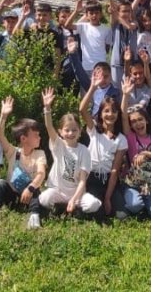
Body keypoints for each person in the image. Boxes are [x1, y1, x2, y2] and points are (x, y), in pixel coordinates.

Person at [0, 96, 48, 229]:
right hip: (12, 196)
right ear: (24, 138)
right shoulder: (13, 152)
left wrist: (30, 188)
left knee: (35, 188)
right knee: (0, 183)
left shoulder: (39, 154)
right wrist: (3, 115)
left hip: (28, 197)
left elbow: (41, 173)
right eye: (36, 135)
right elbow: (0, 135)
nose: (39, 138)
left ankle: (34, 218)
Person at [38, 87, 101, 218]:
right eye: (67, 130)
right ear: (60, 132)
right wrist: (47, 108)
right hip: (58, 191)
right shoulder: (58, 145)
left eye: (74, 130)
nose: (70, 133)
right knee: (44, 198)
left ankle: (72, 207)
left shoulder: (84, 150)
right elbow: (49, 127)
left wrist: (73, 199)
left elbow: (83, 181)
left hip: (77, 193)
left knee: (93, 204)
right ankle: (63, 207)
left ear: (80, 132)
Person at [79, 80, 126, 219]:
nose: (110, 114)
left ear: (118, 115)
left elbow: (115, 170)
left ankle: (110, 200)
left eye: (114, 111)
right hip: (92, 177)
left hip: (109, 180)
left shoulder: (121, 139)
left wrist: (107, 197)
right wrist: (93, 87)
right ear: (100, 114)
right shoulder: (94, 130)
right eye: (106, 111)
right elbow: (82, 109)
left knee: (121, 214)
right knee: (96, 211)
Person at [118, 100, 151, 220]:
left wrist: (145, 153)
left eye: (140, 119)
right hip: (133, 183)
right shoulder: (130, 137)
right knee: (135, 206)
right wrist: (125, 95)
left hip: (150, 184)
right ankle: (143, 202)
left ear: (146, 120)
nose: (138, 123)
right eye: (134, 121)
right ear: (130, 125)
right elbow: (124, 117)